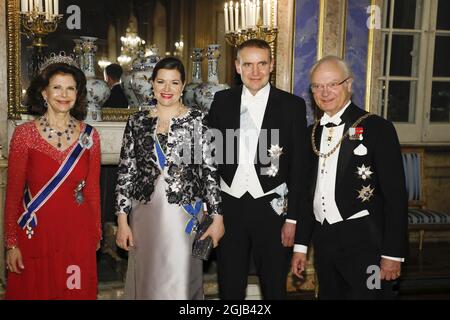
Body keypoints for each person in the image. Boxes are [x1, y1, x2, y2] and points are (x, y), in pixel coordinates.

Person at [291, 56, 408, 300]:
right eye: (317, 86)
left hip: (367, 243)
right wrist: (300, 247)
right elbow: (305, 195)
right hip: (324, 242)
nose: (325, 92)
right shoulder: (309, 134)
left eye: (332, 84)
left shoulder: (378, 129)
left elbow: (395, 198)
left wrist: (392, 254)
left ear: (349, 84)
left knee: (373, 296)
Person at [115, 57, 225, 300]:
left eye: (174, 82)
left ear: (183, 85)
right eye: (161, 82)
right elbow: (126, 172)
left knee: (182, 282)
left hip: (184, 215)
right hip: (145, 214)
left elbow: (210, 172)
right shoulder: (137, 122)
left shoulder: (197, 121)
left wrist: (217, 217)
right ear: (152, 84)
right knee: (147, 280)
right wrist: (122, 221)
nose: (167, 89)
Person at [207, 39, 308, 299]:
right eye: (248, 64)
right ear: (237, 67)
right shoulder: (221, 101)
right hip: (230, 208)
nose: (255, 72)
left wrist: (293, 219)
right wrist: (211, 210)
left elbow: (299, 169)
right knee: (230, 288)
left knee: (274, 287)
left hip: (272, 210)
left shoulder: (292, 105)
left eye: (262, 64)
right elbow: (210, 159)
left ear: (271, 66)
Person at [4, 55, 102, 300]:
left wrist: (96, 233)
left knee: (74, 292)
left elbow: (92, 190)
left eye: (70, 88)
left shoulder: (90, 136)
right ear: (44, 93)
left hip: (77, 234)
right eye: (56, 87)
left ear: (78, 94)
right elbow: (14, 192)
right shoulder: (24, 134)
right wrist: (11, 243)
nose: (64, 94)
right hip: (37, 233)